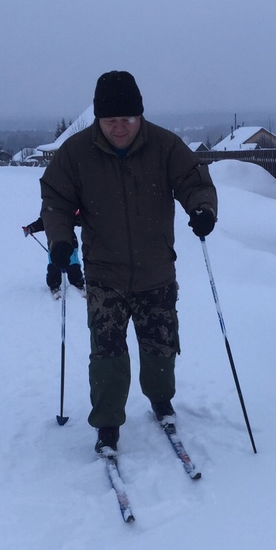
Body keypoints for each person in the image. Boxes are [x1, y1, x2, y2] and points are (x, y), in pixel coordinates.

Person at [39, 71, 217, 455]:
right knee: (107, 353)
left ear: (140, 116)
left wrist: (202, 209)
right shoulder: (76, 154)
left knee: (160, 346)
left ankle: (160, 400)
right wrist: (60, 239)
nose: (119, 128)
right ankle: (106, 423)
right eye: (110, 120)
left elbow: (194, 180)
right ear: (99, 119)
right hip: (105, 274)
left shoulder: (165, 146)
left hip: (157, 271)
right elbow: (54, 198)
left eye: (127, 119)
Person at [22, 216, 85, 293]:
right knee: (54, 265)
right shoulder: (49, 214)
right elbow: (41, 222)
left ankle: (77, 282)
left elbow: (80, 220)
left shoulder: (68, 211)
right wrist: (30, 228)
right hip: (54, 245)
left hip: (70, 244)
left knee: (73, 264)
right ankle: (54, 285)